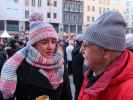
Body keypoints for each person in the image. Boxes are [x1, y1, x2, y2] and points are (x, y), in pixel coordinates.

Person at [0, 12, 72, 100]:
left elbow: (66, 95)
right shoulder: (21, 66)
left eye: (53, 42)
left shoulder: (60, 64)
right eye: (44, 42)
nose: (50, 47)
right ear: (34, 44)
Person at [78, 11, 133, 100]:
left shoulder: (129, 93)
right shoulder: (93, 72)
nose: (81, 50)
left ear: (105, 52)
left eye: (86, 45)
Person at [71, 34, 84, 100]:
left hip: (75, 75)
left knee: (77, 91)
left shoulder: (74, 49)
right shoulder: (81, 51)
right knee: (80, 92)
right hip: (80, 76)